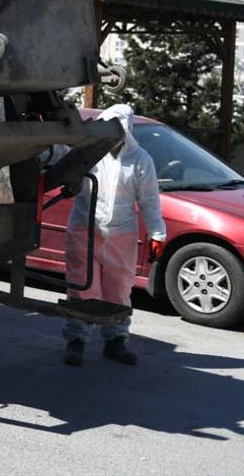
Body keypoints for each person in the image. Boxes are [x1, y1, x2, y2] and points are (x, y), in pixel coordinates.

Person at [62, 103, 166, 367]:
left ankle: (116, 341)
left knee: (119, 290)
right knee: (81, 287)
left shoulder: (141, 160)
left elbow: (150, 201)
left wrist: (157, 234)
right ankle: (76, 342)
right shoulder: (87, 154)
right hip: (84, 230)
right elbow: (65, 174)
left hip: (121, 234)